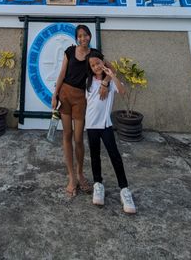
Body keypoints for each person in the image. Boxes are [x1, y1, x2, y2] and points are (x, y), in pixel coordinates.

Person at [52, 24, 110, 197]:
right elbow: (62, 73)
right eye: (80, 36)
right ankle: (71, 177)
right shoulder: (70, 51)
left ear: (90, 36)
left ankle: (80, 173)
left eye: (85, 35)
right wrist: (55, 95)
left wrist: (106, 82)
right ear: (76, 38)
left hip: (81, 99)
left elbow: (111, 69)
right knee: (67, 136)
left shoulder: (94, 54)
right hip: (65, 95)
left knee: (78, 139)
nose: (83, 38)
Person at [85, 56, 137, 214]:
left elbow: (123, 92)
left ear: (103, 63)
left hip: (105, 125)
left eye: (98, 63)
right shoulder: (87, 82)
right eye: (93, 65)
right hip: (91, 125)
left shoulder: (110, 81)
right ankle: (98, 184)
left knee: (114, 155)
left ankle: (124, 189)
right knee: (95, 155)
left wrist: (111, 75)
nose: (96, 67)